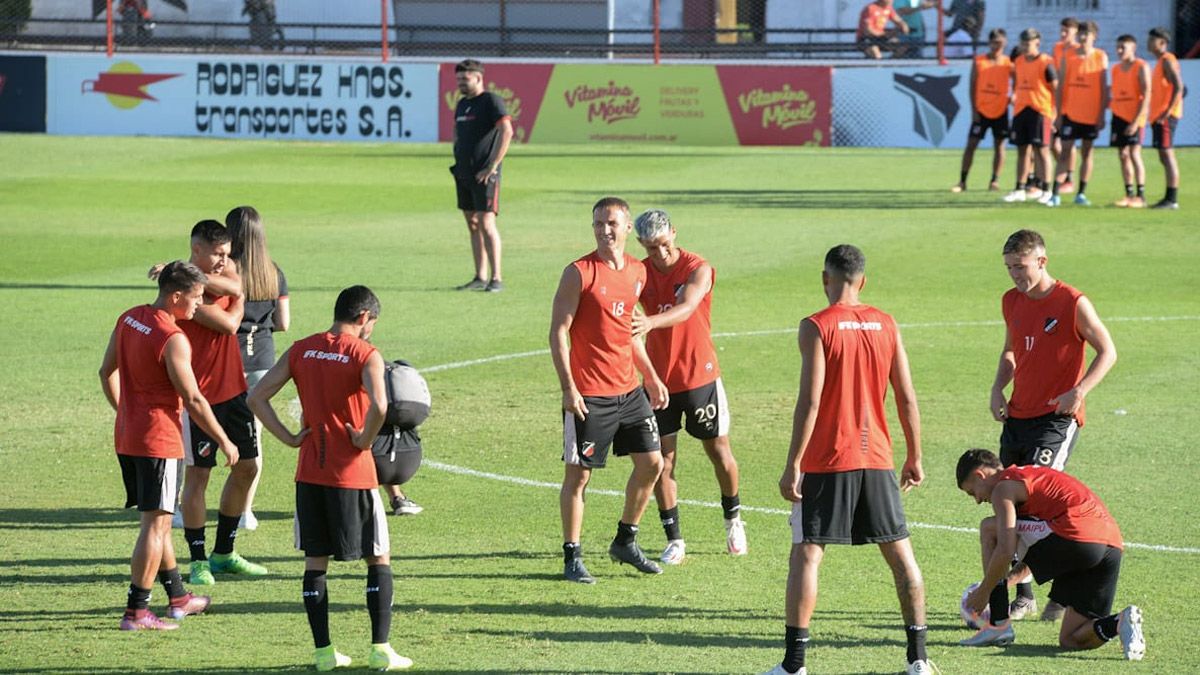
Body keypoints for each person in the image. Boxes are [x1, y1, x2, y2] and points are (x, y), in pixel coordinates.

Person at [766, 245, 930, 675]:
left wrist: (793, 463)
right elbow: (907, 396)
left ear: (825, 278)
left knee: (807, 554)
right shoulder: (888, 324)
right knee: (901, 557)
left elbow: (811, 400)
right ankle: (919, 660)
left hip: (827, 459)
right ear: (863, 281)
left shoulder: (816, 326)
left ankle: (794, 665)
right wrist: (914, 454)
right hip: (876, 456)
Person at [247, 285, 413, 671]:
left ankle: (324, 653)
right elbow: (381, 405)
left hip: (310, 472)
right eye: (372, 322)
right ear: (363, 318)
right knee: (378, 557)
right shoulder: (365, 353)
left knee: (315, 562)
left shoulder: (302, 348)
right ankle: (381, 649)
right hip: (353, 474)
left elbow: (257, 397)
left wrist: (289, 438)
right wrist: (364, 439)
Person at [989, 229, 1117, 621]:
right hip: (1017, 417)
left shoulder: (1071, 301)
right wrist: (997, 388)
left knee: (1040, 503)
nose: (1015, 275)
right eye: (1009, 267)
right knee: (1011, 503)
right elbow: (1011, 349)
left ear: (1042, 261)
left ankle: (1062, 592)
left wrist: (1079, 391)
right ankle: (1024, 594)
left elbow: (1108, 351)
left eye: (1021, 266)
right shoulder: (1011, 301)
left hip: (1056, 421)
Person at [99, 261, 234, 630]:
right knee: (155, 528)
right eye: (195, 298)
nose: (199, 305)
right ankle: (137, 612)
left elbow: (105, 371)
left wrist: (124, 410)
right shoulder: (172, 338)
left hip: (128, 435)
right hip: (159, 440)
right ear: (175, 296)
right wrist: (223, 439)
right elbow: (192, 398)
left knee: (156, 520)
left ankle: (178, 597)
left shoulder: (129, 318)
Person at [550, 197, 670, 584]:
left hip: (629, 391)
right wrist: (569, 388)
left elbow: (630, 332)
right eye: (599, 223)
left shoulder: (637, 271)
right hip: (589, 395)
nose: (605, 230)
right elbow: (558, 333)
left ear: (628, 227)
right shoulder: (579, 273)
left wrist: (649, 375)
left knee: (653, 464)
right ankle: (572, 556)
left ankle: (625, 541)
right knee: (579, 476)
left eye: (612, 223)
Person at [629, 209, 746, 565]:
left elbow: (687, 307)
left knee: (718, 451)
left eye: (664, 244)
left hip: (700, 376)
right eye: (651, 248)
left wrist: (648, 321)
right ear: (641, 245)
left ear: (674, 234)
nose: (660, 253)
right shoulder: (638, 274)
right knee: (663, 461)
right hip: (659, 382)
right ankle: (675, 539)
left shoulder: (698, 268)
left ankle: (733, 520)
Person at [955, 449, 1145, 661]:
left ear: (980, 476)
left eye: (973, 493)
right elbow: (1040, 552)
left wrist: (984, 592)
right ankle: (1120, 622)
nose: (978, 501)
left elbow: (1006, 550)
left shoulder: (1003, 487)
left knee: (989, 528)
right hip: (1110, 544)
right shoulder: (1026, 478)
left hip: (1077, 534)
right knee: (1071, 639)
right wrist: (1004, 582)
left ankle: (998, 623)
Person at [175, 220, 268, 585]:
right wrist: (236, 302)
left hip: (234, 391)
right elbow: (229, 324)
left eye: (226, 254)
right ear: (196, 249)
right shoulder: (183, 291)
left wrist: (237, 292)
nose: (223, 261)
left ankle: (224, 553)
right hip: (199, 398)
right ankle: (198, 561)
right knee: (199, 475)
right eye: (216, 253)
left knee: (247, 467)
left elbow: (238, 285)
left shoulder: (218, 273)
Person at [225, 206, 290, 531]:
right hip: (263, 362)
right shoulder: (274, 272)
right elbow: (284, 322)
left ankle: (181, 507)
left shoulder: (226, 271)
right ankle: (246, 510)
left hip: (229, 363)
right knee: (253, 439)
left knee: (205, 433)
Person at [451, 59, 514, 292]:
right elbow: (457, 133)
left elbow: (507, 130)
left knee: (487, 223)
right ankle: (480, 276)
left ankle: (496, 278)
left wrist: (492, 166)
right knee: (473, 224)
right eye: (458, 79)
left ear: (478, 78)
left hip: (486, 175)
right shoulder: (461, 104)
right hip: (464, 174)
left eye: (465, 79)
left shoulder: (490, 101)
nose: (461, 83)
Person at [1048, 20, 1109, 208]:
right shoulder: (1068, 55)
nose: (1083, 38)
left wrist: (1101, 115)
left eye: (1087, 34)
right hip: (1070, 114)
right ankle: (1055, 193)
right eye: (1081, 34)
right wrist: (1058, 113)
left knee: (1087, 152)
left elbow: (1104, 89)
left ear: (1094, 37)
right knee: (1065, 150)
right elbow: (1061, 87)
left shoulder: (1100, 57)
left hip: (1091, 116)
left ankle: (1081, 193)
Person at [1003, 29, 1058, 205]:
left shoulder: (1046, 62)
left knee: (1042, 151)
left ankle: (1046, 189)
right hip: (1021, 110)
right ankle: (1020, 188)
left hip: (1040, 110)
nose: (1026, 47)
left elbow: (1056, 88)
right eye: (1023, 43)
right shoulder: (1018, 61)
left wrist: (1055, 114)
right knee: (1022, 151)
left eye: (1029, 43)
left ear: (1037, 43)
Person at [953, 29, 1011, 193]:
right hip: (982, 110)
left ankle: (994, 180)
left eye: (1000, 43)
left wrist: (1013, 96)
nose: (997, 46)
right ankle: (962, 181)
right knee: (971, 145)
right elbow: (972, 86)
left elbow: (1019, 81)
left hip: (1001, 110)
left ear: (1005, 43)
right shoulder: (979, 61)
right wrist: (974, 109)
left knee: (1000, 146)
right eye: (994, 42)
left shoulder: (1009, 63)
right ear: (989, 43)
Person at [1109, 35, 1152, 208]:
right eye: (1118, 47)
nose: (1119, 51)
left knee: (1134, 154)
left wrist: (1136, 121)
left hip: (1134, 118)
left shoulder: (1141, 66)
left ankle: (1141, 196)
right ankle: (1129, 194)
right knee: (1123, 155)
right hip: (1118, 116)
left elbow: (1147, 94)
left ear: (1133, 48)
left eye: (1123, 48)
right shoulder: (1116, 69)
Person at [1147, 27, 1184, 210]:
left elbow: (1179, 87)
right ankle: (1169, 197)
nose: (1148, 43)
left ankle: (1172, 199)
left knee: (1168, 155)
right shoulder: (1161, 62)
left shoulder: (1168, 60)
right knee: (1163, 155)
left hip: (1165, 117)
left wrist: (1167, 112)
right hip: (1159, 117)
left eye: (1152, 39)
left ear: (1162, 42)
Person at [1051, 18, 1082, 193]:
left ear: (1075, 32)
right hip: (1058, 100)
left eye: (1067, 31)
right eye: (1062, 30)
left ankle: (1069, 178)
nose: (1063, 34)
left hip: (1073, 101)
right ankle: (1063, 176)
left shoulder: (1078, 50)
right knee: (1054, 143)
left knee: (1068, 142)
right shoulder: (1057, 48)